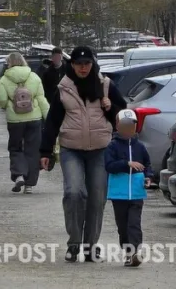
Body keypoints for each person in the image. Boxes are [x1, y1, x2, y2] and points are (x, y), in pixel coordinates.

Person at [40, 46, 127, 263]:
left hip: (100, 150)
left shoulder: (105, 85)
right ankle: (74, 242)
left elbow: (124, 115)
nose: (83, 68)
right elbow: (52, 122)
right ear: (72, 65)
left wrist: (110, 107)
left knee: (97, 198)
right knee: (74, 193)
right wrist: (45, 151)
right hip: (72, 150)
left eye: (87, 63)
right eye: (78, 64)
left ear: (92, 64)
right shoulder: (63, 89)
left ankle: (91, 246)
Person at [0, 52, 50, 194]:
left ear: (9, 63)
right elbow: (42, 99)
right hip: (34, 118)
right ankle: (29, 184)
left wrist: (8, 105)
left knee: (15, 147)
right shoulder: (34, 76)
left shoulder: (5, 79)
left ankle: (18, 175)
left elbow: (0, 99)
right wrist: (49, 118)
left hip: (15, 119)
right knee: (33, 150)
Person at [105, 109, 152, 267]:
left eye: (130, 126)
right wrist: (126, 164)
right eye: (124, 125)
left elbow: (147, 165)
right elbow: (109, 166)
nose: (127, 129)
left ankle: (135, 252)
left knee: (134, 223)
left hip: (137, 192)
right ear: (117, 126)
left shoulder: (140, 147)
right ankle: (127, 251)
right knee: (123, 225)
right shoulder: (112, 146)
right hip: (119, 193)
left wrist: (148, 177)